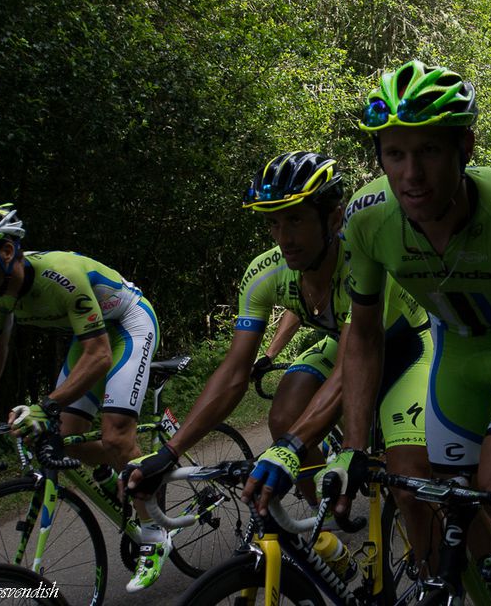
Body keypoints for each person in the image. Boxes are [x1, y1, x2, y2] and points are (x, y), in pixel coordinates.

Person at [326, 59, 491, 605]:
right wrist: (351, 446)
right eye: (395, 153)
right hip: (454, 361)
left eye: (429, 151)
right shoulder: (367, 220)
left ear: (465, 147)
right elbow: (362, 335)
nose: (411, 174)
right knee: (450, 502)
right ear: (380, 157)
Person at [123, 152, 436, 564]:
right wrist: (171, 451)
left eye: (295, 219)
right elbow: (234, 372)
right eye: (273, 222)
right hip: (340, 345)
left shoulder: (363, 260)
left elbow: (353, 363)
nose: (283, 237)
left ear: (334, 218)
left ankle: (439, 577)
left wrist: (289, 449)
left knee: (408, 484)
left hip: (406, 349)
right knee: (283, 415)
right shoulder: (266, 273)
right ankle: (324, 529)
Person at [0, 203, 165, 592]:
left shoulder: (61, 276)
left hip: (128, 326)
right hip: (90, 338)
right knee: (64, 443)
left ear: (5, 252)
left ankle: (155, 534)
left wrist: (44, 406)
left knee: (115, 435)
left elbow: (100, 357)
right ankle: (118, 469)